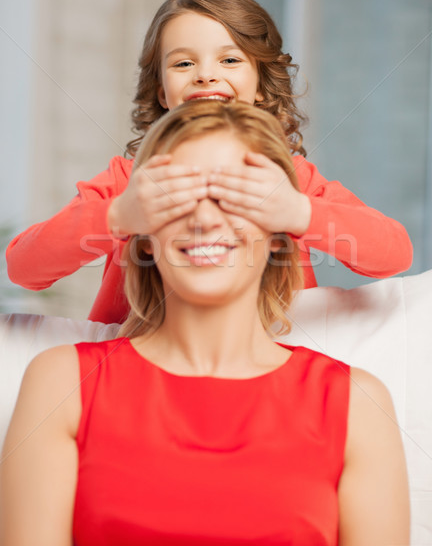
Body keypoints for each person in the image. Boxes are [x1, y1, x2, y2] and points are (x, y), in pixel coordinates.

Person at [0, 100, 410, 545]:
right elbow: (26, 262)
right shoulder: (62, 385)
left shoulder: (357, 404)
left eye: (236, 197)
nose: (205, 218)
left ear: (279, 236)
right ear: (142, 237)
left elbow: (391, 249)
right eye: (176, 198)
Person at [6, 0, 413, 325]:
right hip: (138, 372)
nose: (205, 73)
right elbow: (24, 267)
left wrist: (299, 212)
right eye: (184, 63)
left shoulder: (292, 179)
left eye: (230, 59)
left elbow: (394, 253)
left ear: (259, 85)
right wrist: (116, 214)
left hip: (266, 370)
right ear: (162, 92)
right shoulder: (128, 180)